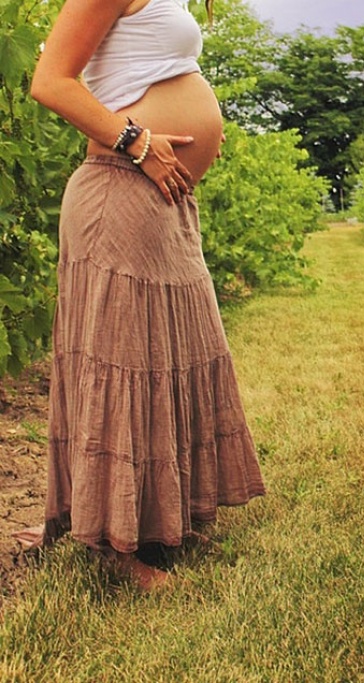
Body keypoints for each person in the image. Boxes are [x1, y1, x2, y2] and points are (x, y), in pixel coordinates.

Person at [20, 0, 266, 590]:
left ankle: (157, 522)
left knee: (171, 357)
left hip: (161, 199)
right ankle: (113, 547)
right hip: (119, 188)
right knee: (122, 363)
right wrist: (136, 140)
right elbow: (50, 81)